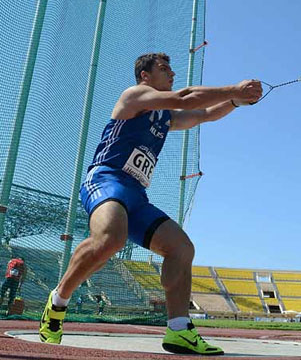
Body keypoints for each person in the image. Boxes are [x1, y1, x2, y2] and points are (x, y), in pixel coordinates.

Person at [40, 53, 262, 355]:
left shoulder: (164, 116)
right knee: (110, 239)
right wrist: (234, 89)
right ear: (145, 76)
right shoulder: (134, 96)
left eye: (171, 69)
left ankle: (179, 330)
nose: (172, 73)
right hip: (106, 180)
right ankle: (58, 301)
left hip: (137, 194)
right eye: (164, 69)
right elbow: (185, 98)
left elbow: (205, 114)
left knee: (182, 248)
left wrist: (237, 101)